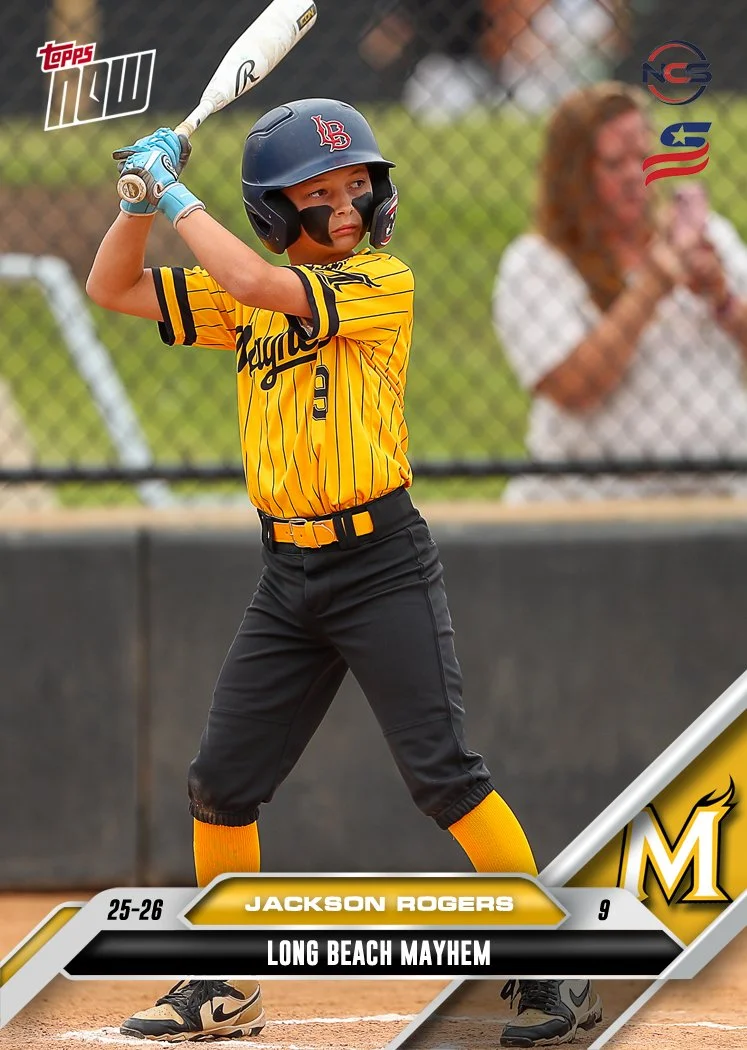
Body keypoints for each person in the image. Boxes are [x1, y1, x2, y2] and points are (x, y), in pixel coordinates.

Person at [86, 98, 542, 1042]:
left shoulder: (381, 280)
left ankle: (551, 974)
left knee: (444, 775)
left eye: (354, 186)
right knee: (221, 781)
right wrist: (138, 197)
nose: (344, 205)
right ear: (271, 209)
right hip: (286, 576)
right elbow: (112, 288)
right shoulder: (242, 293)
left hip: (380, 564)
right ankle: (227, 982)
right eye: (316, 193)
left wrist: (174, 192)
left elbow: (255, 282)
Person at [493, 80, 747, 503]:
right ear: (573, 177)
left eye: (644, 157)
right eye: (614, 164)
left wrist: (722, 298)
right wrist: (650, 290)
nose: (636, 176)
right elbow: (573, 389)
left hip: (721, 496)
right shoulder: (536, 263)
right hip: (594, 504)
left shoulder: (708, 235)